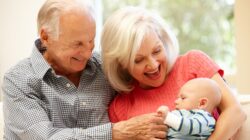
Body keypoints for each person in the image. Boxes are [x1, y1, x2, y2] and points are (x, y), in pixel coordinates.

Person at [2, 1, 167, 139]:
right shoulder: (18, 80)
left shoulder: (103, 66)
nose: (88, 53)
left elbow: (151, 73)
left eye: (91, 41)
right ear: (45, 37)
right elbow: (46, 137)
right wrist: (115, 132)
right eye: (77, 44)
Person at [101, 7, 246, 139]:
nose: (153, 65)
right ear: (121, 64)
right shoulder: (120, 107)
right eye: (138, 60)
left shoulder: (193, 64)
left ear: (163, 41)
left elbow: (235, 112)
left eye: (157, 51)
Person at [157, 78, 222, 139]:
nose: (175, 102)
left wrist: (168, 116)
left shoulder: (205, 119)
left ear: (202, 103)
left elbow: (188, 126)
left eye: (183, 98)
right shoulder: (183, 114)